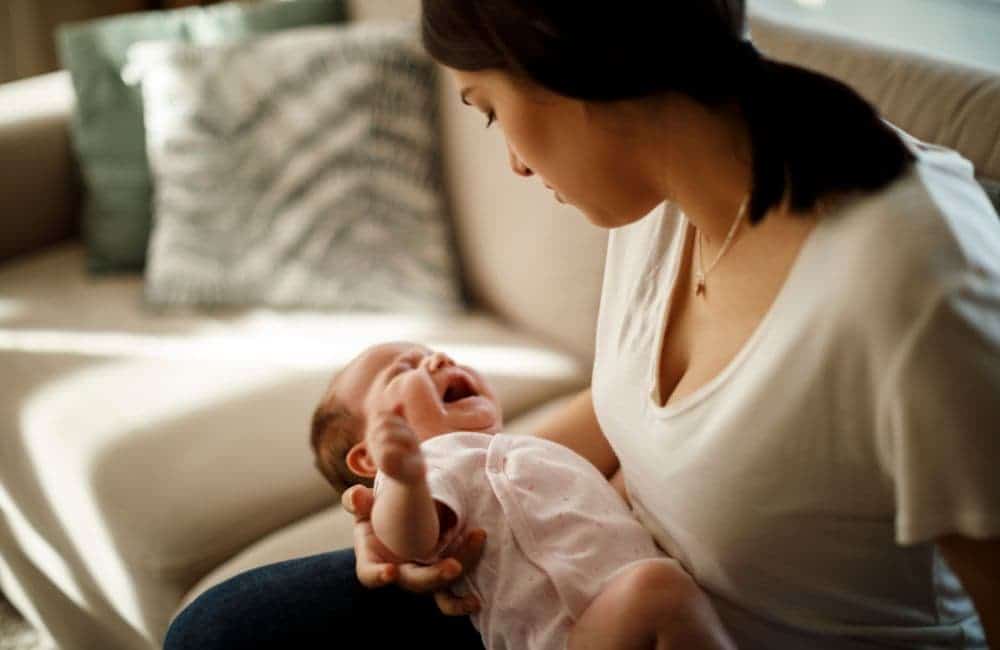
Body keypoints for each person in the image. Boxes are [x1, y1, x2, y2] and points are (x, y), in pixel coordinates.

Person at [165, 1, 1000, 648]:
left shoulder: (913, 285)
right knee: (223, 629)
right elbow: (642, 411)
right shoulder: (657, 187)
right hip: (596, 594)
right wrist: (423, 499)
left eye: (488, 109)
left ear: (558, 60)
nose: (514, 163)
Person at [309, 340, 736, 650]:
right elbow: (413, 541)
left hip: (609, 619)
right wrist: (404, 481)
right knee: (658, 589)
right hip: (563, 636)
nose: (439, 359)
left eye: (437, 354)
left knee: (661, 594)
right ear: (370, 457)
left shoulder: (520, 452)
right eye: (403, 370)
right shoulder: (431, 464)